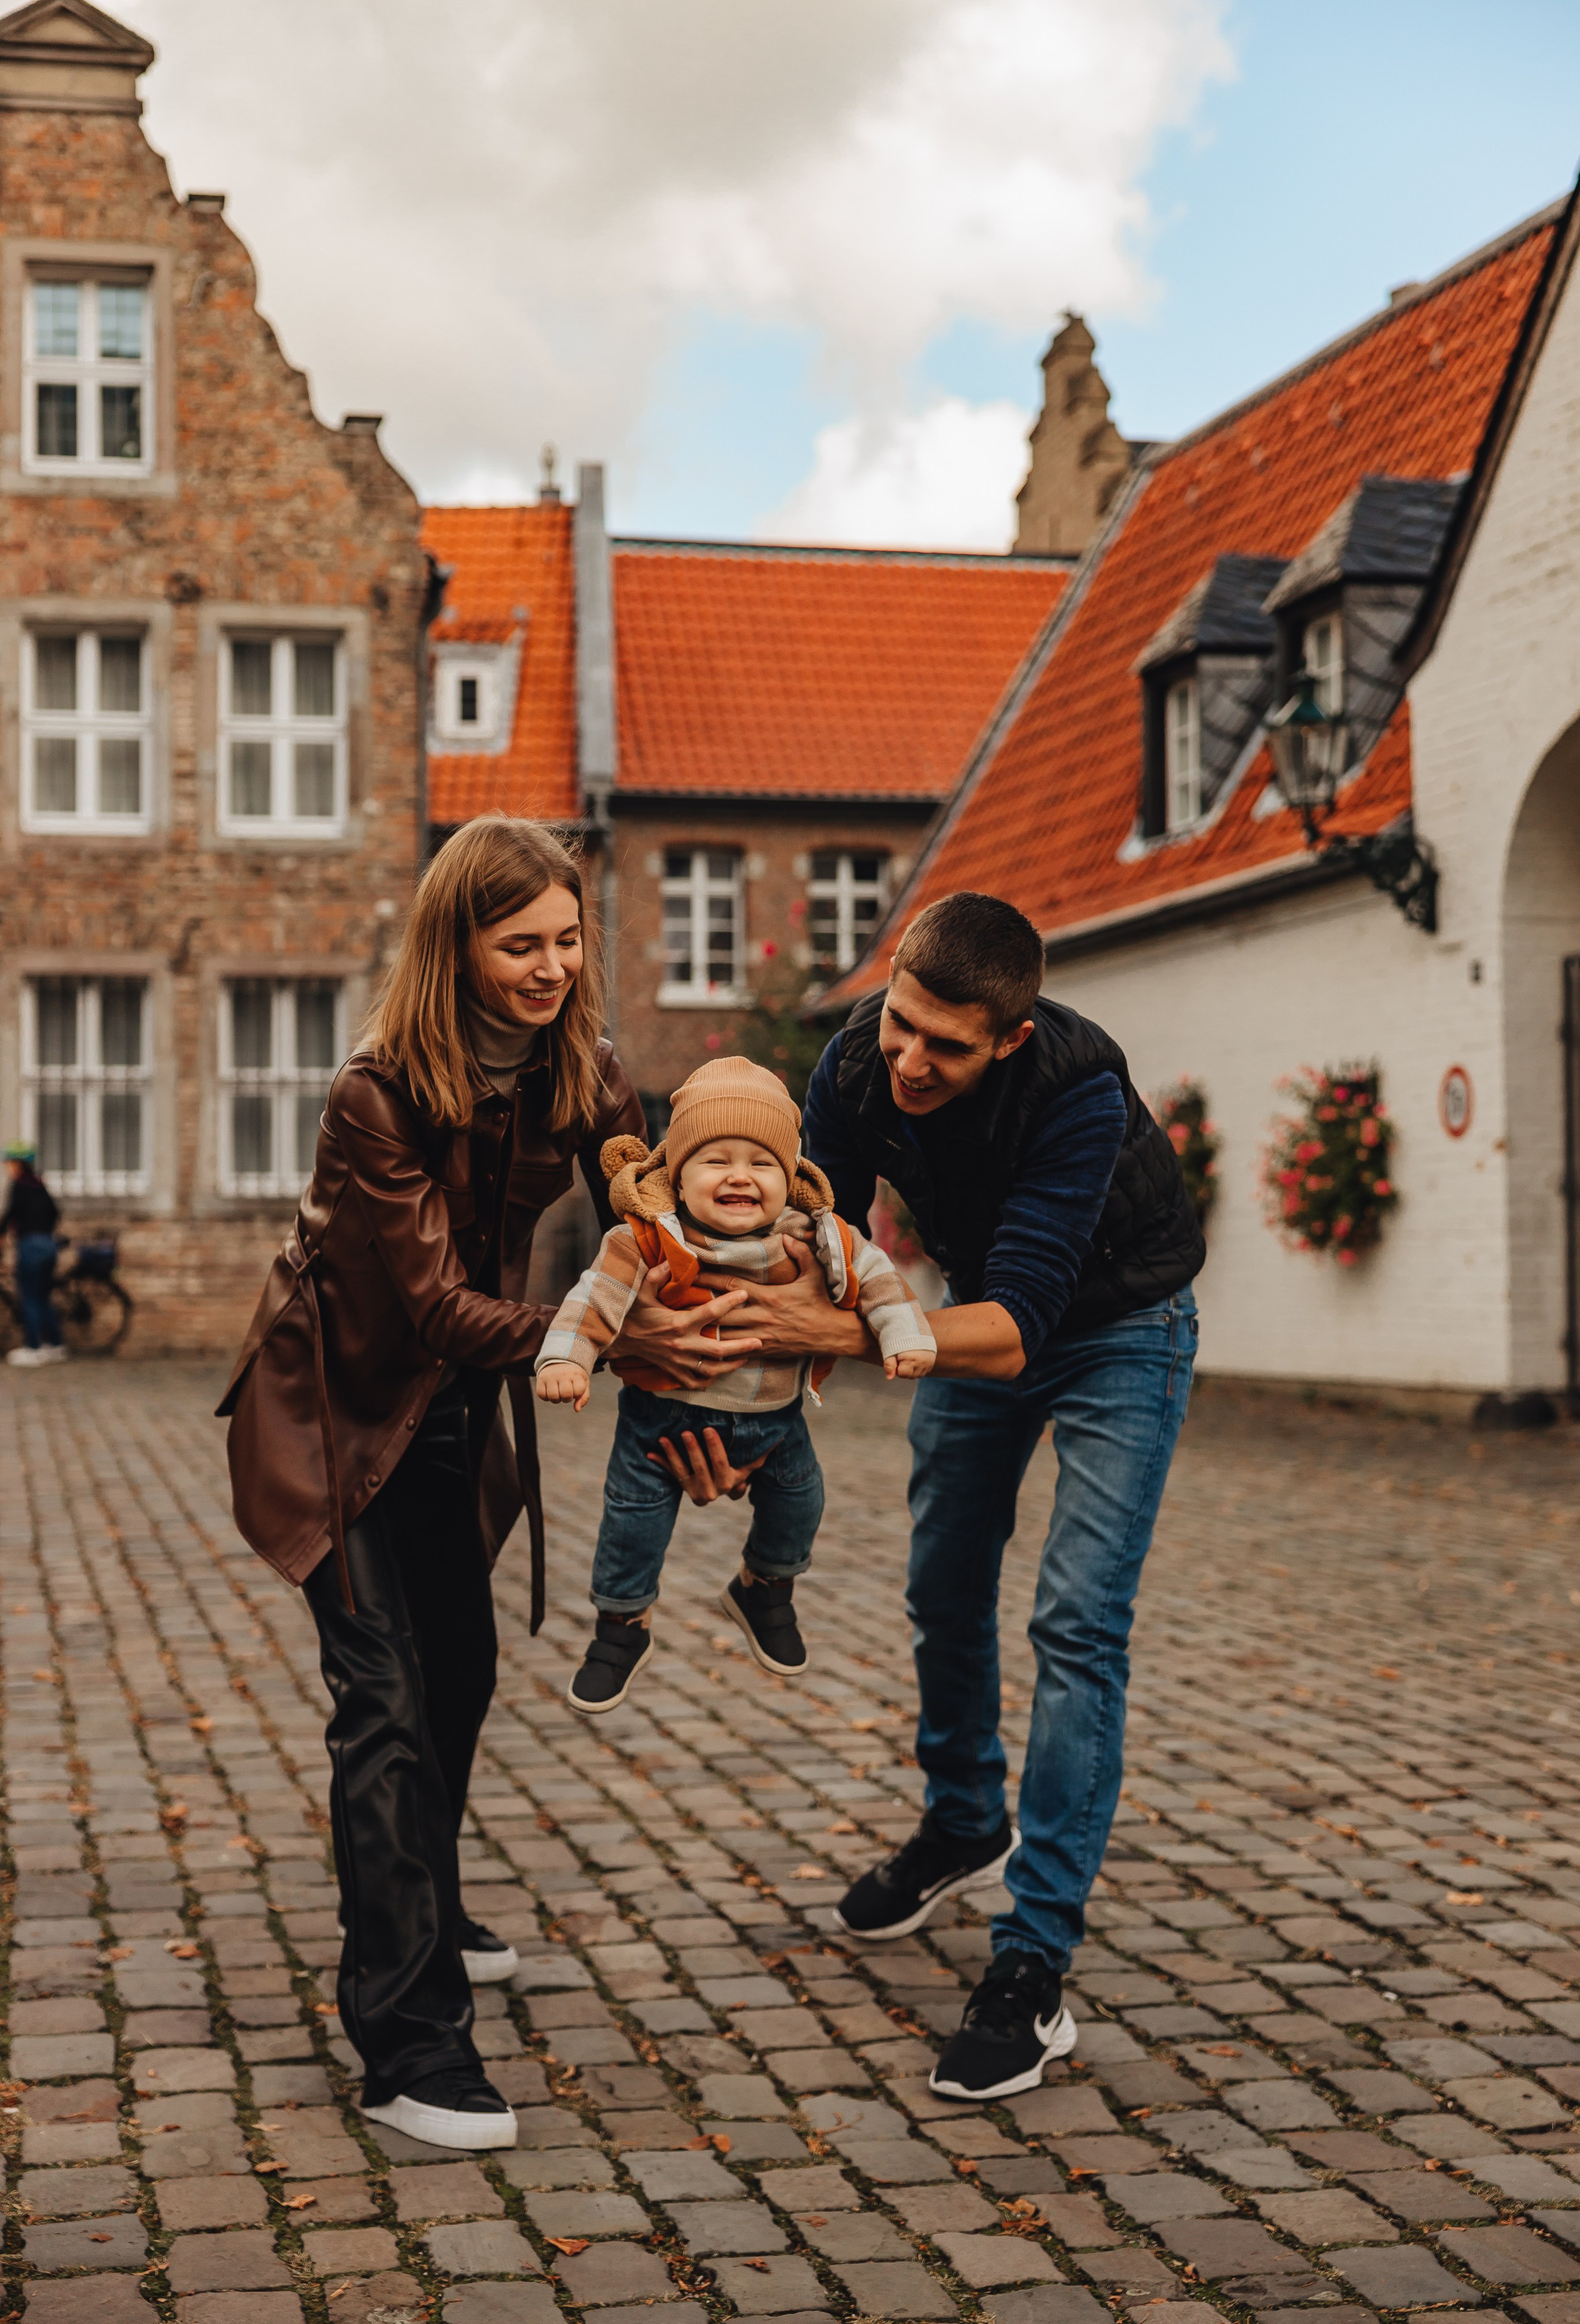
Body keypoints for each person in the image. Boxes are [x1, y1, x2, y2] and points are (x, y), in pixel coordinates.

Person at [701, 891, 1204, 2102]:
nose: (912, 1061)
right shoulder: (853, 1063)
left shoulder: (1077, 1090)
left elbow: (1018, 1324)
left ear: (1009, 1039)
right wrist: (742, 1409)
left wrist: (834, 1331)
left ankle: (1032, 1961)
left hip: (1117, 1330)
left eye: (947, 1046)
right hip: (975, 1307)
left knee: (1076, 1622)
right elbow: (814, 1244)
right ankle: (965, 1818)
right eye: (902, 1025)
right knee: (940, 1582)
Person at [217, 817, 645, 2152]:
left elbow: (650, 1225)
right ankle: (408, 2043)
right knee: (386, 1705)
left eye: (567, 940)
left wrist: (712, 1357)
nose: (552, 968)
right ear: (454, 946)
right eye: (521, 946)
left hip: (454, 1415)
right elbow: (440, 1308)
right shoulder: (379, 1090)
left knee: (459, 1674)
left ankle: (425, 1904)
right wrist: (607, 1335)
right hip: (334, 1415)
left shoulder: (585, 1068)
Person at [535, 1055, 934, 1715]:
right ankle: (620, 1628)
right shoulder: (646, 1238)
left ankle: (765, 1589)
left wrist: (904, 1334)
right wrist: (566, 1360)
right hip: (658, 1420)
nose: (740, 1175)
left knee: (800, 1504)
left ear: (790, 1177)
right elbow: (593, 1298)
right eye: (715, 1160)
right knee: (631, 1525)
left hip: (775, 1423)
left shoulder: (816, 1234)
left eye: (761, 1163)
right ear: (677, 1173)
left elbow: (878, 1277)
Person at [2, 1142, 65, 1368]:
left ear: (18, 1164)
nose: (7, 1167)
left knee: (28, 1297)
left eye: (9, 1163)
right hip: (49, 1244)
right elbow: (55, 1213)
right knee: (43, 1296)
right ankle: (56, 1345)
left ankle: (33, 1348)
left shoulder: (19, 1185)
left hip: (31, 1245)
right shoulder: (39, 1184)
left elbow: (11, 1213)